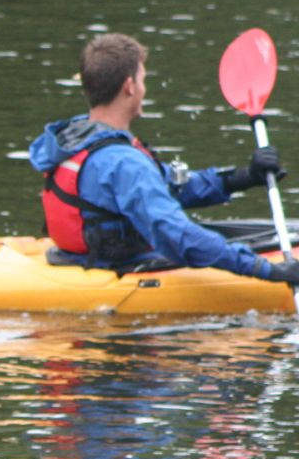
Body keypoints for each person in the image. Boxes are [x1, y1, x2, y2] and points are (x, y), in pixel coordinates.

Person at [29, 31, 299, 282]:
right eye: (143, 79)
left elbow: (171, 185)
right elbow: (177, 235)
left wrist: (242, 177)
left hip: (83, 258)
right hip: (121, 269)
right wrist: (265, 269)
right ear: (129, 87)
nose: (144, 89)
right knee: (224, 243)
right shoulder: (124, 163)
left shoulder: (76, 138)